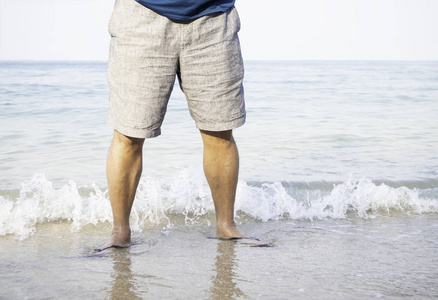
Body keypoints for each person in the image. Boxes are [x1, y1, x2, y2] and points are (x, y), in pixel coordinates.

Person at [97, 0, 264, 251]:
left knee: (219, 129)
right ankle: (120, 232)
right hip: (141, 19)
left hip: (214, 20)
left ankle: (226, 226)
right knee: (129, 132)